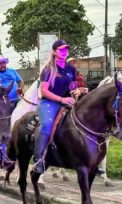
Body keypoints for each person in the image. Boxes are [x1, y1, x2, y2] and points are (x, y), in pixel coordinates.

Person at [32, 40, 81, 174]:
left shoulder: (71, 69)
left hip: (67, 102)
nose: (64, 52)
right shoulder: (48, 68)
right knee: (47, 124)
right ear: (54, 52)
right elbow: (44, 91)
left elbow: (72, 87)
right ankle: (39, 160)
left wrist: (76, 92)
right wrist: (61, 99)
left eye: (66, 49)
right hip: (49, 103)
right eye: (61, 50)